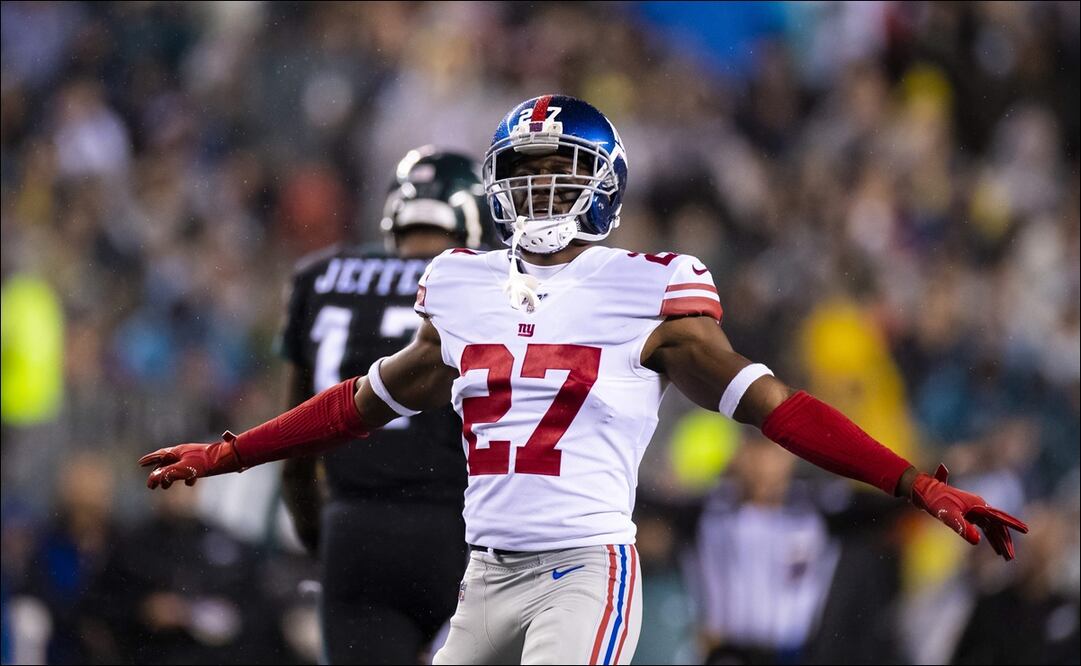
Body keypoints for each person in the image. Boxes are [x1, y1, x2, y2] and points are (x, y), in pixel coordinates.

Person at [138, 95, 1028, 665]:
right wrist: (229, 453)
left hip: (583, 571)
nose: (537, 190)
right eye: (521, 173)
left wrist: (910, 483)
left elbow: (777, 409)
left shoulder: (650, 287)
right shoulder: (461, 283)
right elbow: (357, 405)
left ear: (602, 183)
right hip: (482, 575)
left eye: (558, 170)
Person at [277, 147, 490, 664]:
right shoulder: (490, 283)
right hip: (461, 532)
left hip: (357, 530)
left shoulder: (321, 277)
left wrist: (322, 536)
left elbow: (297, 444)